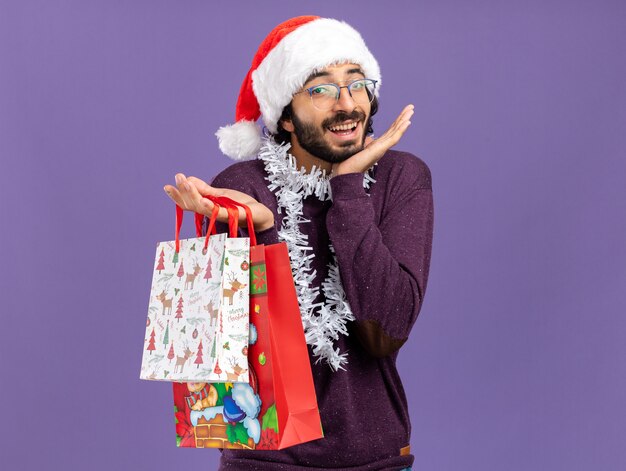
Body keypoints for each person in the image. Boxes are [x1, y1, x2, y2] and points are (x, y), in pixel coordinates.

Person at [164, 15, 433, 471]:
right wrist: (265, 231)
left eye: (357, 84)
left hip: (377, 459)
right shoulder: (241, 188)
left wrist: (347, 188)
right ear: (285, 115)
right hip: (265, 460)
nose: (347, 104)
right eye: (321, 89)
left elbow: (385, 332)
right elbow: (249, 351)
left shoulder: (400, 178)